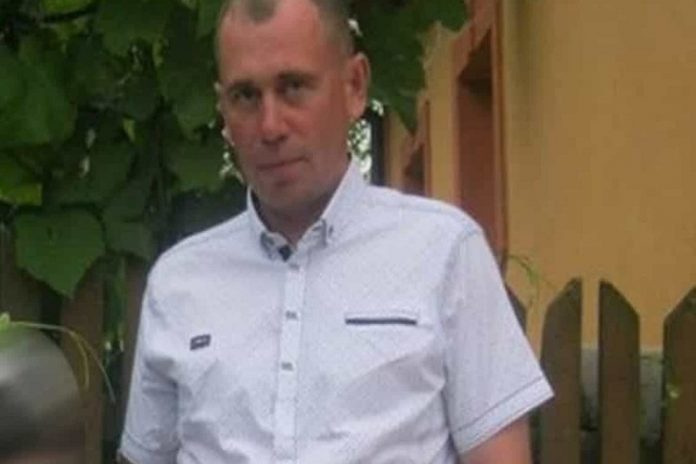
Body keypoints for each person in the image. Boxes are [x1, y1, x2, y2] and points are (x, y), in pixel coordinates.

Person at [119, 0, 553, 462]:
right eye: (245, 96)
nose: (270, 126)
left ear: (354, 86)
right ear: (223, 109)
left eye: (294, 87)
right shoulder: (178, 282)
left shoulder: (444, 252)